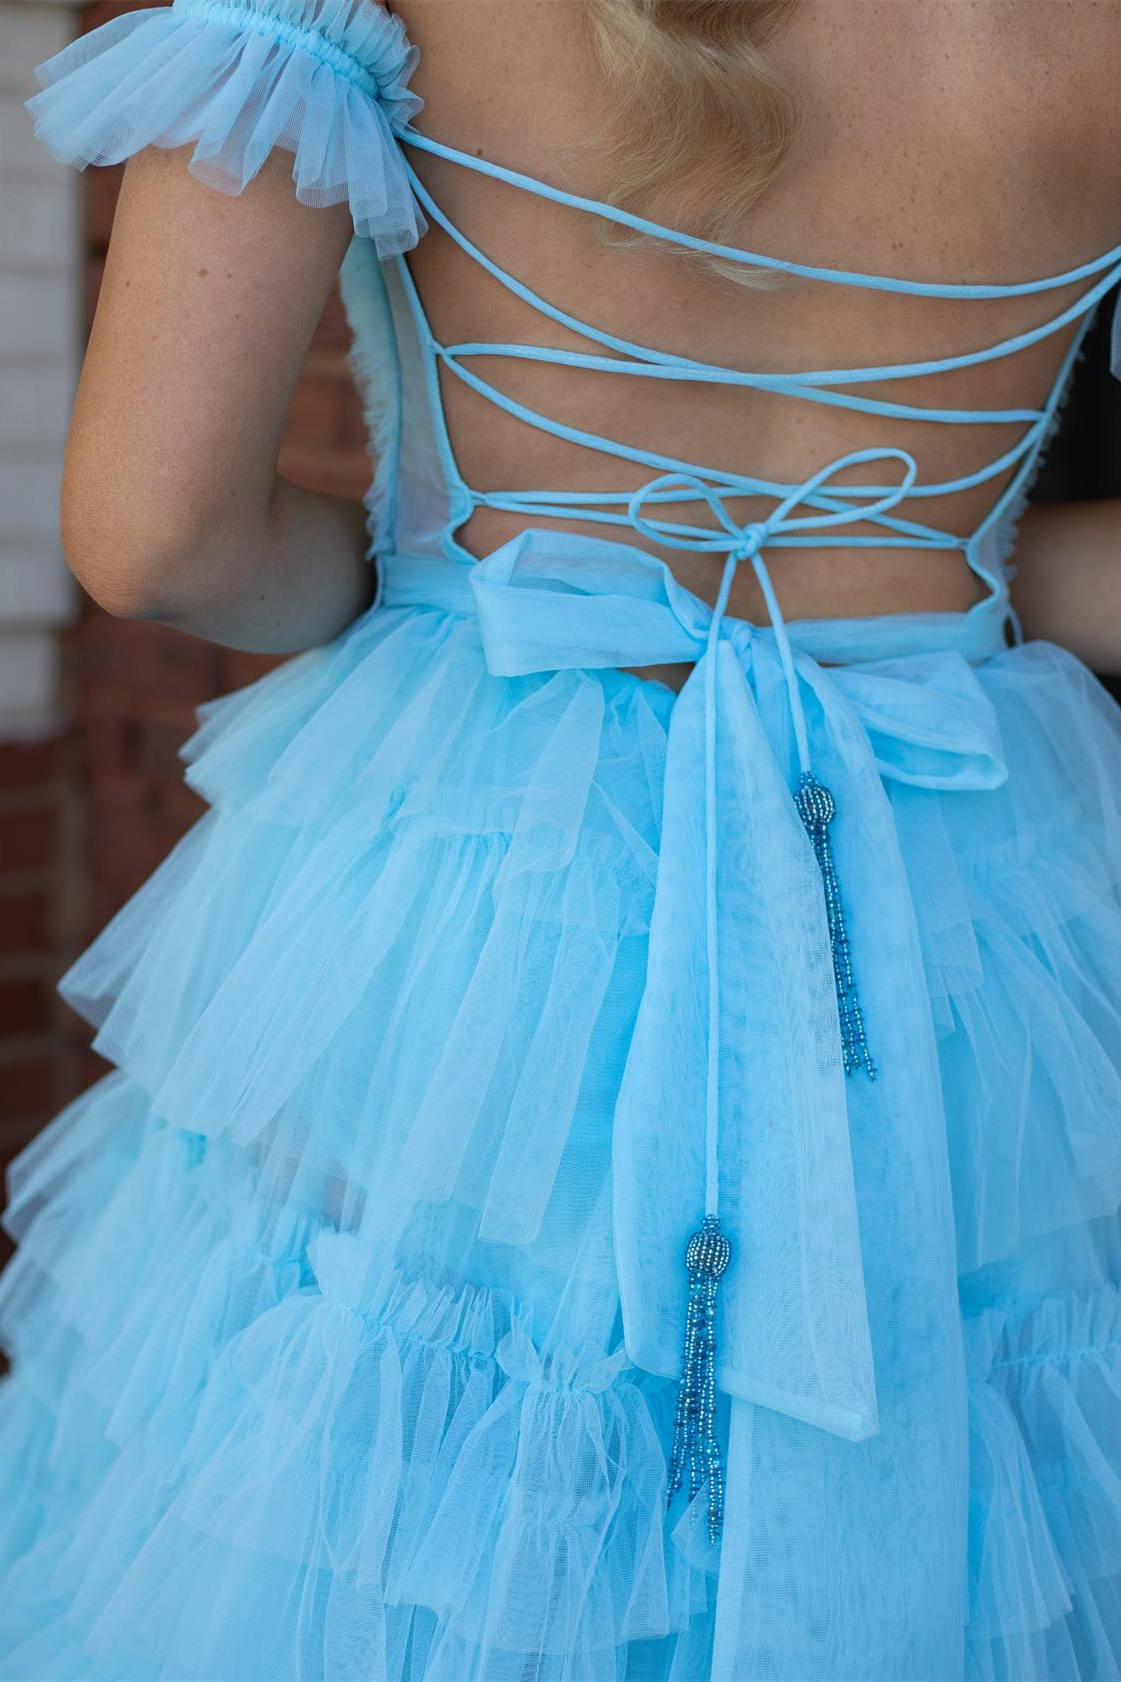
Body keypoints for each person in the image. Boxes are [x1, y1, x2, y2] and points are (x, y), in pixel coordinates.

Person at [2, 0, 1121, 1676]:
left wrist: (425, 591)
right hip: (950, 858)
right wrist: (935, 599)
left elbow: (161, 534)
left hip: (482, 861)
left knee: (391, 1489)